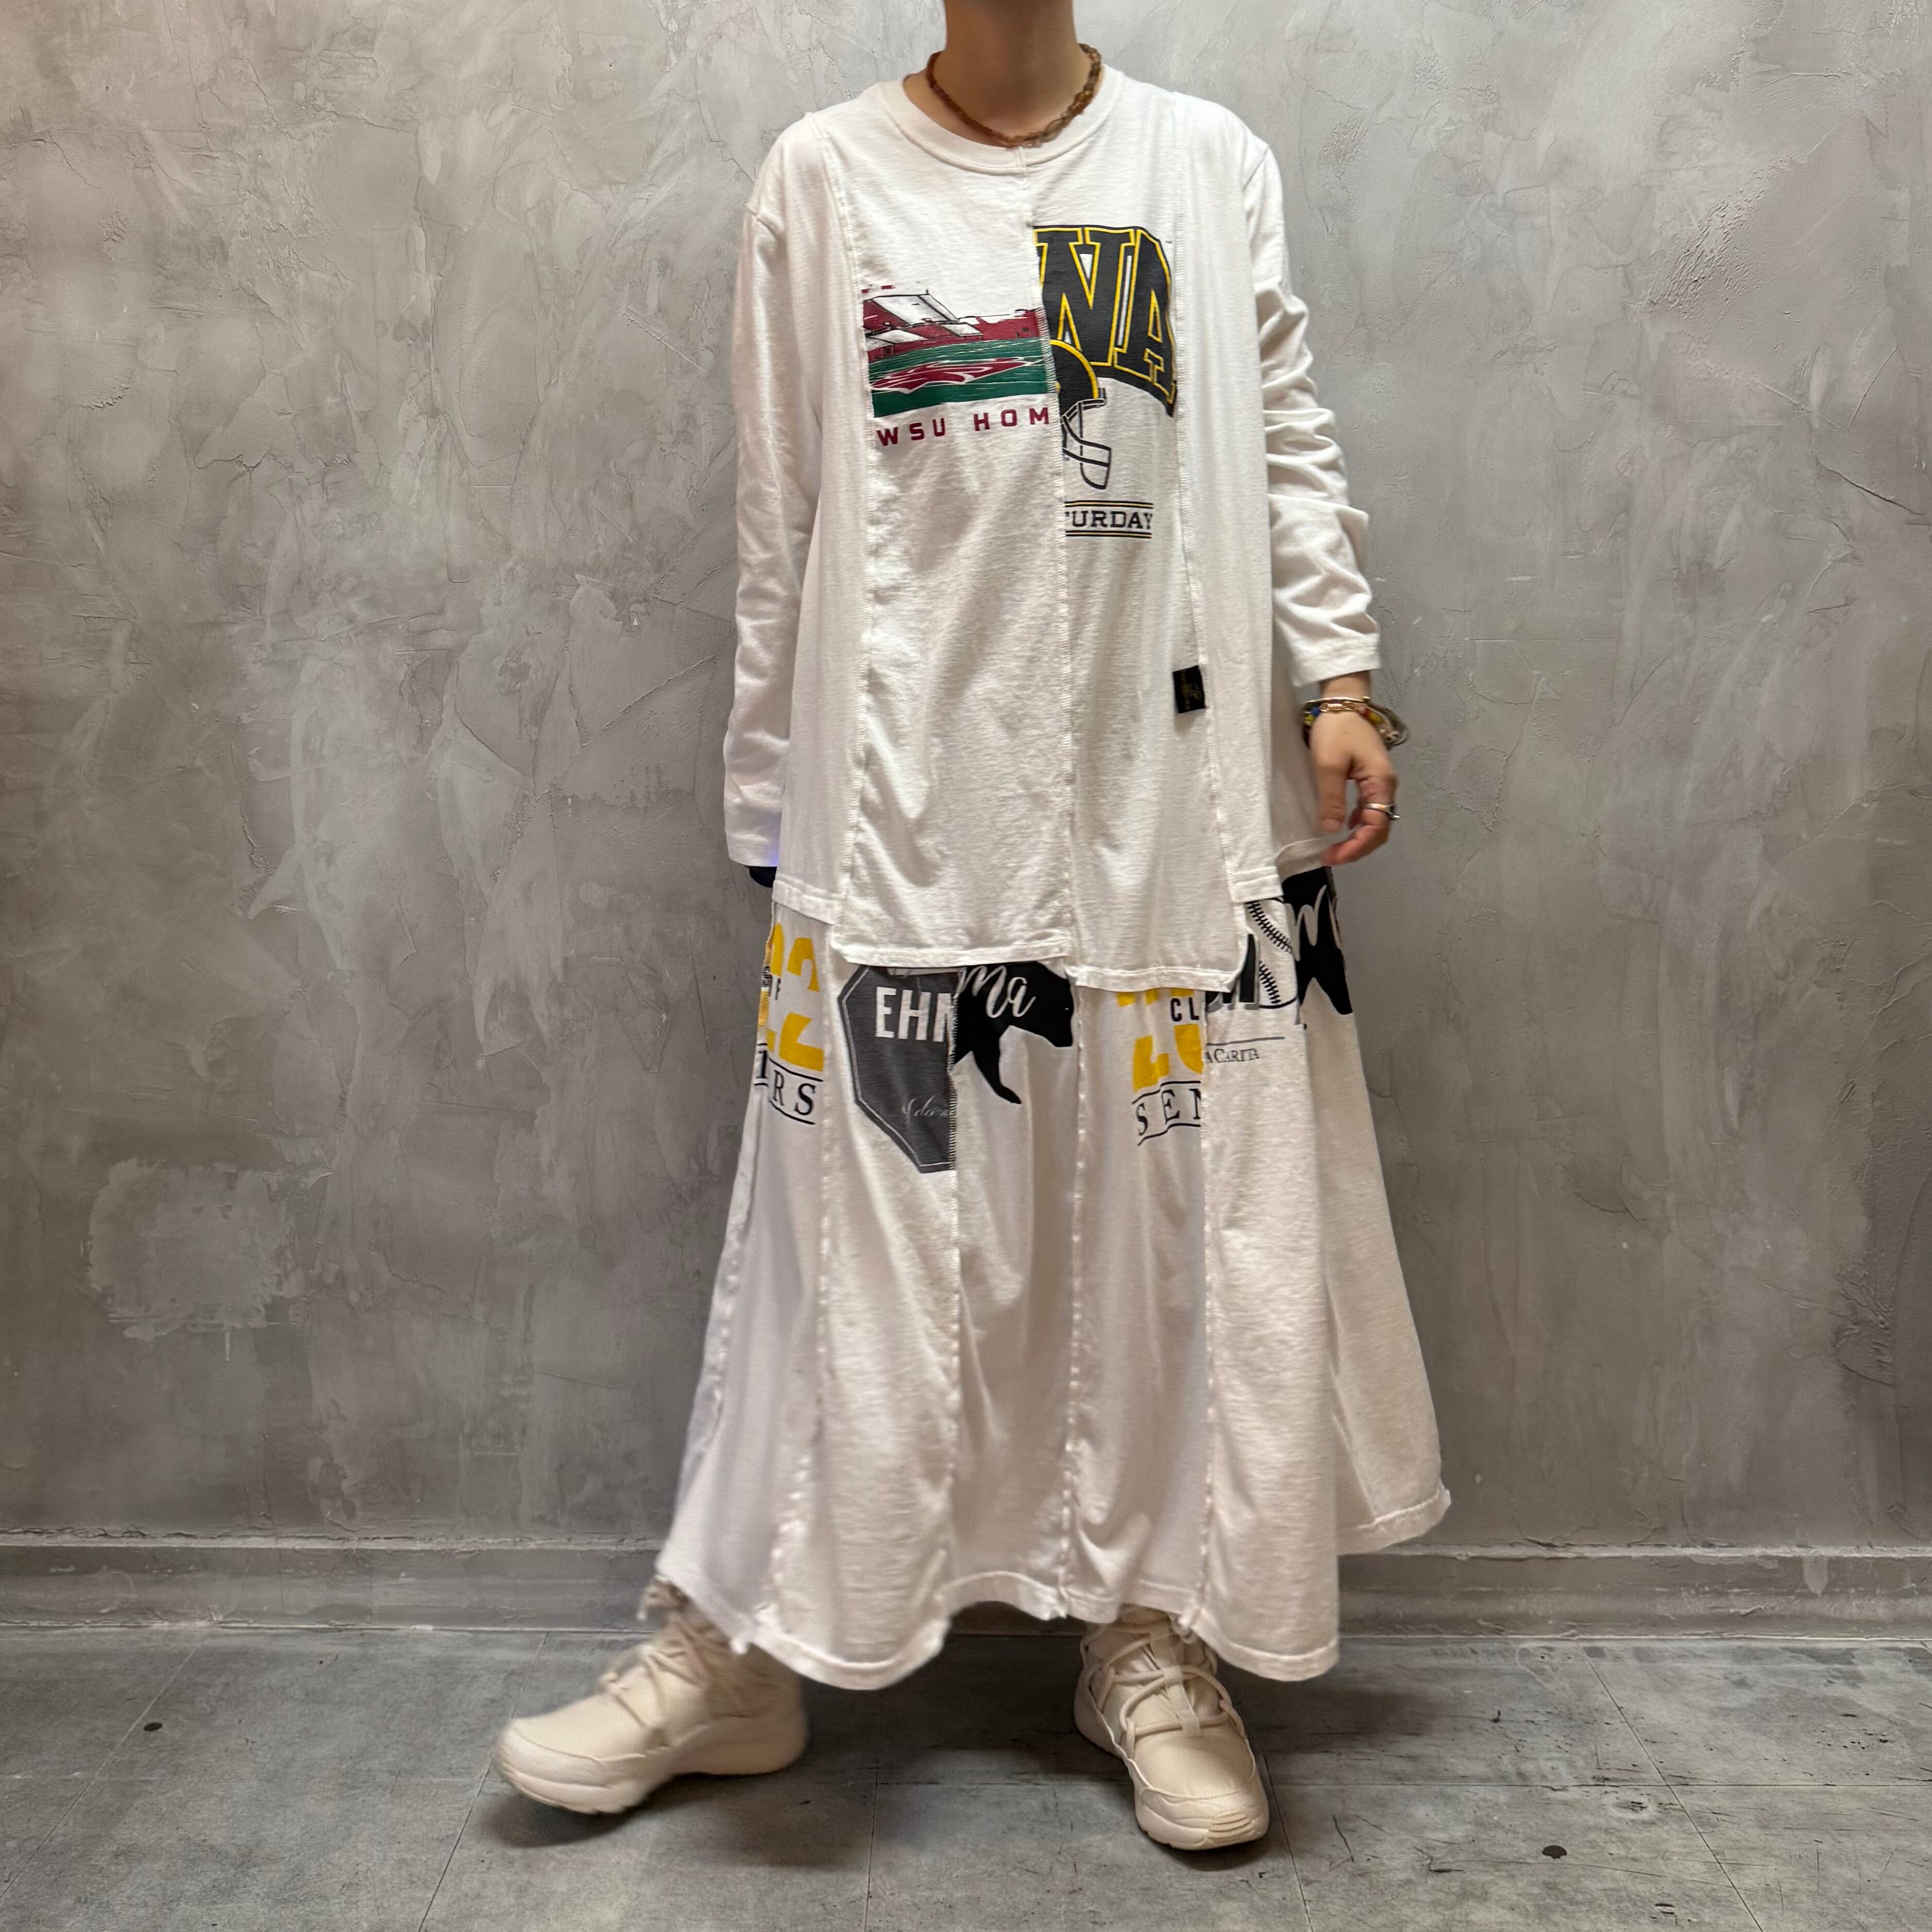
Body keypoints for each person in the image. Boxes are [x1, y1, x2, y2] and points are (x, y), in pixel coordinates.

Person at [496, 0, 1446, 1852]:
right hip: (905, 795)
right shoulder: (826, 176)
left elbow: (1280, 434)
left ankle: (1153, 1634)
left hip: (1160, 792)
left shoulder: (1195, 162)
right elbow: (781, 513)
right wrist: (772, 798)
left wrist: (1339, 675)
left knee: (1167, 1211)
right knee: (852, 1217)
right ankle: (741, 1647)